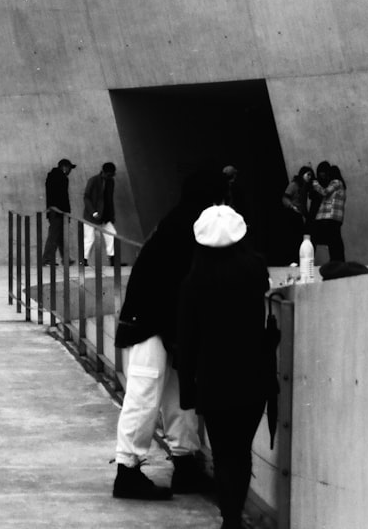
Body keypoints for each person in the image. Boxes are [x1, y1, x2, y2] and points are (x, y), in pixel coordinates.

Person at [112, 168, 221, 500]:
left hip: (155, 322)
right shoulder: (191, 228)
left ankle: (185, 464)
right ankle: (127, 471)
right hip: (150, 324)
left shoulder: (179, 221)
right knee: (146, 397)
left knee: (178, 397)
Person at [178, 205, 273, 529]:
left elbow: (187, 340)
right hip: (252, 373)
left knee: (221, 452)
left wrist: (187, 389)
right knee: (241, 450)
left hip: (213, 377)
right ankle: (235, 516)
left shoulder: (194, 281)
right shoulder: (255, 269)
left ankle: (229, 518)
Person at [82, 162, 119, 266]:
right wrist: (93, 212)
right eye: (109, 175)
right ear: (103, 172)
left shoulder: (111, 182)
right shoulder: (93, 180)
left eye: (111, 175)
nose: (110, 177)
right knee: (89, 239)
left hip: (105, 216)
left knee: (112, 235)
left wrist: (111, 216)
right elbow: (86, 197)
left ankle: (112, 259)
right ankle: (83, 260)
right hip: (91, 216)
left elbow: (109, 200)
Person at [41, 158, 76, 266]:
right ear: (64, 167)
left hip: (56, 211)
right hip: (58, 212)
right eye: (69, 168)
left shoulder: (53, 176)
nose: (70, 171)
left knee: (60, 236)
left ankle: (65, 258)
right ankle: (47, 258)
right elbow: (62, 197)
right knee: (55, 235)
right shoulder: (60, 177)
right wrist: (65, 212)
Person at [310, 161, 346, 262]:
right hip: (336, 217)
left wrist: (315, 184)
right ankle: (337, 260)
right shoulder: (340, 185)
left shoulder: (336, 182)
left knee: (330, 239)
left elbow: (324, 192)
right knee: (334, 240)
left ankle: (336, 260)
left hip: (329, 216)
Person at [281, 165, 314, 260]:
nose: (309, 177)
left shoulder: (306, 187)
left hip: (301, 214)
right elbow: (285, 197)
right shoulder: (294, 184)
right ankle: (294, 259)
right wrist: (292, 206)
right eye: (308, 174)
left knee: (302, 237)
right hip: (293, 212)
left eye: (311, 175)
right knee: (295, 237)